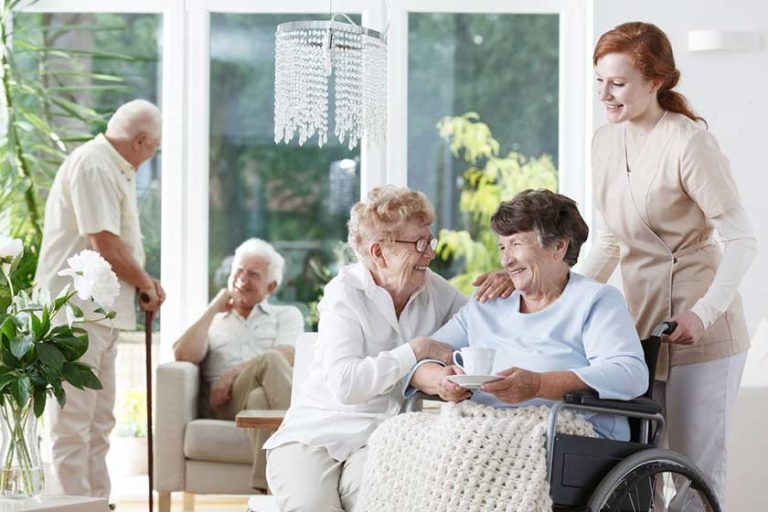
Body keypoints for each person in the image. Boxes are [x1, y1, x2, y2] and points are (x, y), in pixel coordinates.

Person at [585, 21, 756, 503]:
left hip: (701, 328)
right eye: (599, 80)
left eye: (618, 83)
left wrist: (703, 313)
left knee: (694, 467)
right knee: (637, 464)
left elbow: (742, 239)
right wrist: (562, 297)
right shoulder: (605, 140)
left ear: (656, 81)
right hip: (639, 326)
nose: (606, 94)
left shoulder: (688, 142)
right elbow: (611, 240)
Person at [264, 185, 513, 511]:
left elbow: (486, 329)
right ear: (379, 252)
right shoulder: (344, 294)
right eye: (419, 243)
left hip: (381, 440)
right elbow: (347, 384)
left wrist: (509, 283)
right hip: (314, 436)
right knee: (313, 506)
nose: (430, 253)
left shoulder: (436, 291)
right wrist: (417, 349)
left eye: (430, 240)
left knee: (382, 500)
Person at [409, 190, 648, 440]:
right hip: (485, 429)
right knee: (400, 436)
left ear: (558, 247)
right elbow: (420, 360)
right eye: (502, 246)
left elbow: (629, 373)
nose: (505, 260)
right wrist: (441, 381)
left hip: (568, 436)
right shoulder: (487, 303)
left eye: (516, 244)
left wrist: (538, 385)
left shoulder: (595, 301)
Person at [36, 99, 165, 501]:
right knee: (72, 425)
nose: (151, 157)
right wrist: (145, 283)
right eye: (154, 148)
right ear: (141, 140)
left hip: (98, 314)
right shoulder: (95, 164)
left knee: (98, 423)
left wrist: (144, 282)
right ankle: (68, 508)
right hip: (76, 314)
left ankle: (92, 504)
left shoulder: (113, 167)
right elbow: (105, 244)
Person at [174, 238, 304, 492]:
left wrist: (232, 373)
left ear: (272, 286)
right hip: (226, 404)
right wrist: (214, 307)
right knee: (270, 358)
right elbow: (183, 355)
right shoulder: (212, 319)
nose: (243, 279)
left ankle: (265, 492)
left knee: (258, 397)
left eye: (253, 274)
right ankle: (303, 442)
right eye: (238, 271)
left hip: (263, 401)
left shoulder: (286, 315)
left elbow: (289, 354)